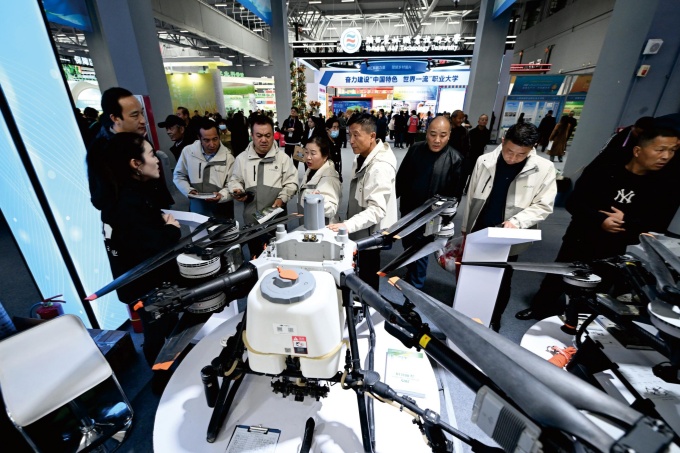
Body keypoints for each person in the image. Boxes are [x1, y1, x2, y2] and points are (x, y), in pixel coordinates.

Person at [516, 125, 679, 321]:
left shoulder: (667, 183)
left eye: (673, 150)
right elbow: (574, 202)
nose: (666, 156)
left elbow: (658, 224)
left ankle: (582, 322)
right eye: (660, 150)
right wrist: (601, 219)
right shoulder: (606, 167)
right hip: (582, 235)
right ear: (638, 150)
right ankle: (539, 308)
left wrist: (626, 222)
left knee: (601, 284)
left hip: (618, 243)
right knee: (559, 274)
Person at [462, 122, 557, 331]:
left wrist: (518, 222)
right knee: (472, 272)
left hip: (509, 234)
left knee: (502, 278)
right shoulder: (484, 160)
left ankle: (494, 317)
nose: (512, 158)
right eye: (509, 151)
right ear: (503, 141)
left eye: (521, 154)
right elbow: (471, 196)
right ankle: (468, 311)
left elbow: (544, 205)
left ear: (532, 148)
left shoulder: (544, 168)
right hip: (480, 227)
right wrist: (465, 225)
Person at [99, 132, 181, 367]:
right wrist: (171, 229)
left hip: (142, 284)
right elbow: (150, 248)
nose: (157, 160)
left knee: (162, 328)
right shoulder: (128, 204)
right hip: (148, 285)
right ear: (135, 163)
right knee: (158, 332)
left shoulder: (120, 195)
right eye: (151, 155)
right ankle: (162, 377)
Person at [328, 114, 398, 291]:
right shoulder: (361, 155)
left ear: (372, 136)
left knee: (368, 277)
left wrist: (347, 225)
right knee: (358, 270)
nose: (351, 141)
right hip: (360, 226)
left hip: (371, 233)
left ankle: (367, 305)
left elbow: (377, 210)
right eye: (349, 135)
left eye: (356, 135)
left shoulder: (380, 166)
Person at [396, 116, 464, 289]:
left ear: (449, 135)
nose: (437, 140)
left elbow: (455, 196)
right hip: (409, 211)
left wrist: (445, 221)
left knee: (420, 254)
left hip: (432, 218)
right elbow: (401, 179)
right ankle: (410, 273)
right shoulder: (415, 149)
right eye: (433, 134)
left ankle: (414, 292)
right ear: (426, 133)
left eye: (442, 135)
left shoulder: (456, 159)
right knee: (407, 247)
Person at [87, 87, 173, 214]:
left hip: (157, 209)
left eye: (142, 113)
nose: (143, 120)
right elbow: (100, 198)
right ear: (115, 118)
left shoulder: (139, 139)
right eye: (135, 115)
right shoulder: (100, 151)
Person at [229, 115, 298, 256]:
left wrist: (282, 198)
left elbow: (291, 182)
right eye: (259, 136)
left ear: (273, 135)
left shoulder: (283, 159)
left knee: (279, 255)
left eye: (268, 135)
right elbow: (235, 180)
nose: (264, 140)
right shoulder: (242, 159)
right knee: (255, 254)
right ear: (252, 135)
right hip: (251, 220)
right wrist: (237, 190)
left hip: (276, 219)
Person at [173, 120, 235, 219]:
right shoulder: (188, 152)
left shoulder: (228, 158)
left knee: (224, 228)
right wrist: (188, 190)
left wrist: (222, 195)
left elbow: (232, 183)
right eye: (206, 140)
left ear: (219, 136)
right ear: (199, 138)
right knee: (199, 227)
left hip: (222, 208)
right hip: (197, 206)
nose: (212, 144)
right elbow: (179, 175)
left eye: (215, 139)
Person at [299, 135, 341, 223]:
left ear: (325, 156)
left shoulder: (330, 178)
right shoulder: (311, 169)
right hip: (310, 222)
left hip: (322, 226)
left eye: (313, 153)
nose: (308, 157)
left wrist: (318, 200)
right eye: (306, 152)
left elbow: (331, 208)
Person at [465, 114, 491, 193]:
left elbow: (486, 143)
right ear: (478, 121)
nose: (484, 121)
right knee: (467, 172)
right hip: (470, 155)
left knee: (475, 173)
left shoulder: (487, 132)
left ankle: (468, 189)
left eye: (486, 120)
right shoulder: (472, 132)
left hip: (480, 155)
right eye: (482, 119)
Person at [326, 117, 343, 182]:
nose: (336, 130)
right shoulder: (323, 143)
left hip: (336, 174)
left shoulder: (337, 141)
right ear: (327, 129)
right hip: (326, 175)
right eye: (334, 127)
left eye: (338, 127)